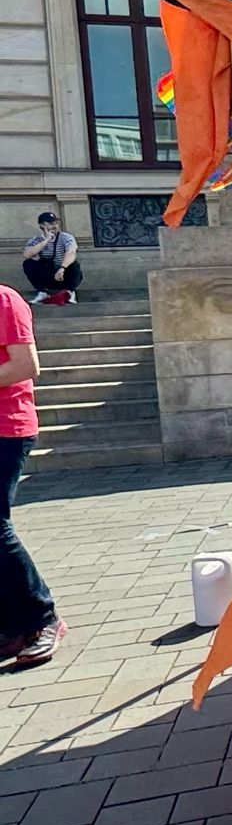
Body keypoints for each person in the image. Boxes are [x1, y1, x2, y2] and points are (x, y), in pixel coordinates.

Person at [0, 283, 64, 665]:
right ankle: (14, 625)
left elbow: (26, 364)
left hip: (7, 428)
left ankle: (43, 618)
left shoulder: (5, 299)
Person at [22, 213, 81, 305]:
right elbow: (27, 255)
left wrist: (62, 268)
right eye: (50, 223)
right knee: (28, 263)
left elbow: (71, 252)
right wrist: (46, 240)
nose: (54, 226)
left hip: (64, 275)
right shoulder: (36, 240)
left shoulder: (66, 237)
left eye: (56, 223)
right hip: (48, 277)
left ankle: (69, 293)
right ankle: (42, 293)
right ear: (42, 225)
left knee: (74, 265)